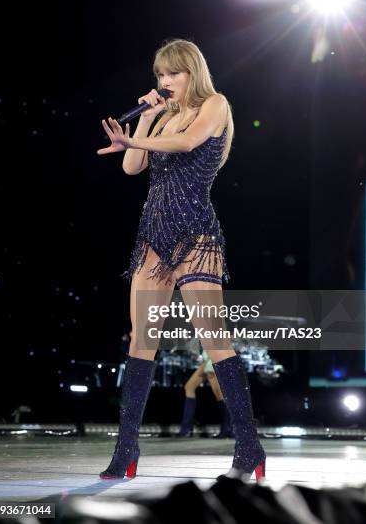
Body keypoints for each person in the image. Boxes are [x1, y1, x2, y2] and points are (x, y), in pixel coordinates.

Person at [96, 38, 265, 482]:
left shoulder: (215, 104)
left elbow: (190, 142)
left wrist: (139, 137)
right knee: (141, 339)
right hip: (153, 235)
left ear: (192, 71)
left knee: (214, 338)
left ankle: (250, 447)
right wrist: (146, 121)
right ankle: (126, 450)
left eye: (173, 72)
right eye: (160, 75)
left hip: (196, 234)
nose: (165, 81)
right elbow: (132, 167)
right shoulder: (162, 115)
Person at [177, 350, 234, 438]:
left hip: (213, 359)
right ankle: (186, 429)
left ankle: (228, 428)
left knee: (219, 395)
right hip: (207, 358)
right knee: (189, 387)